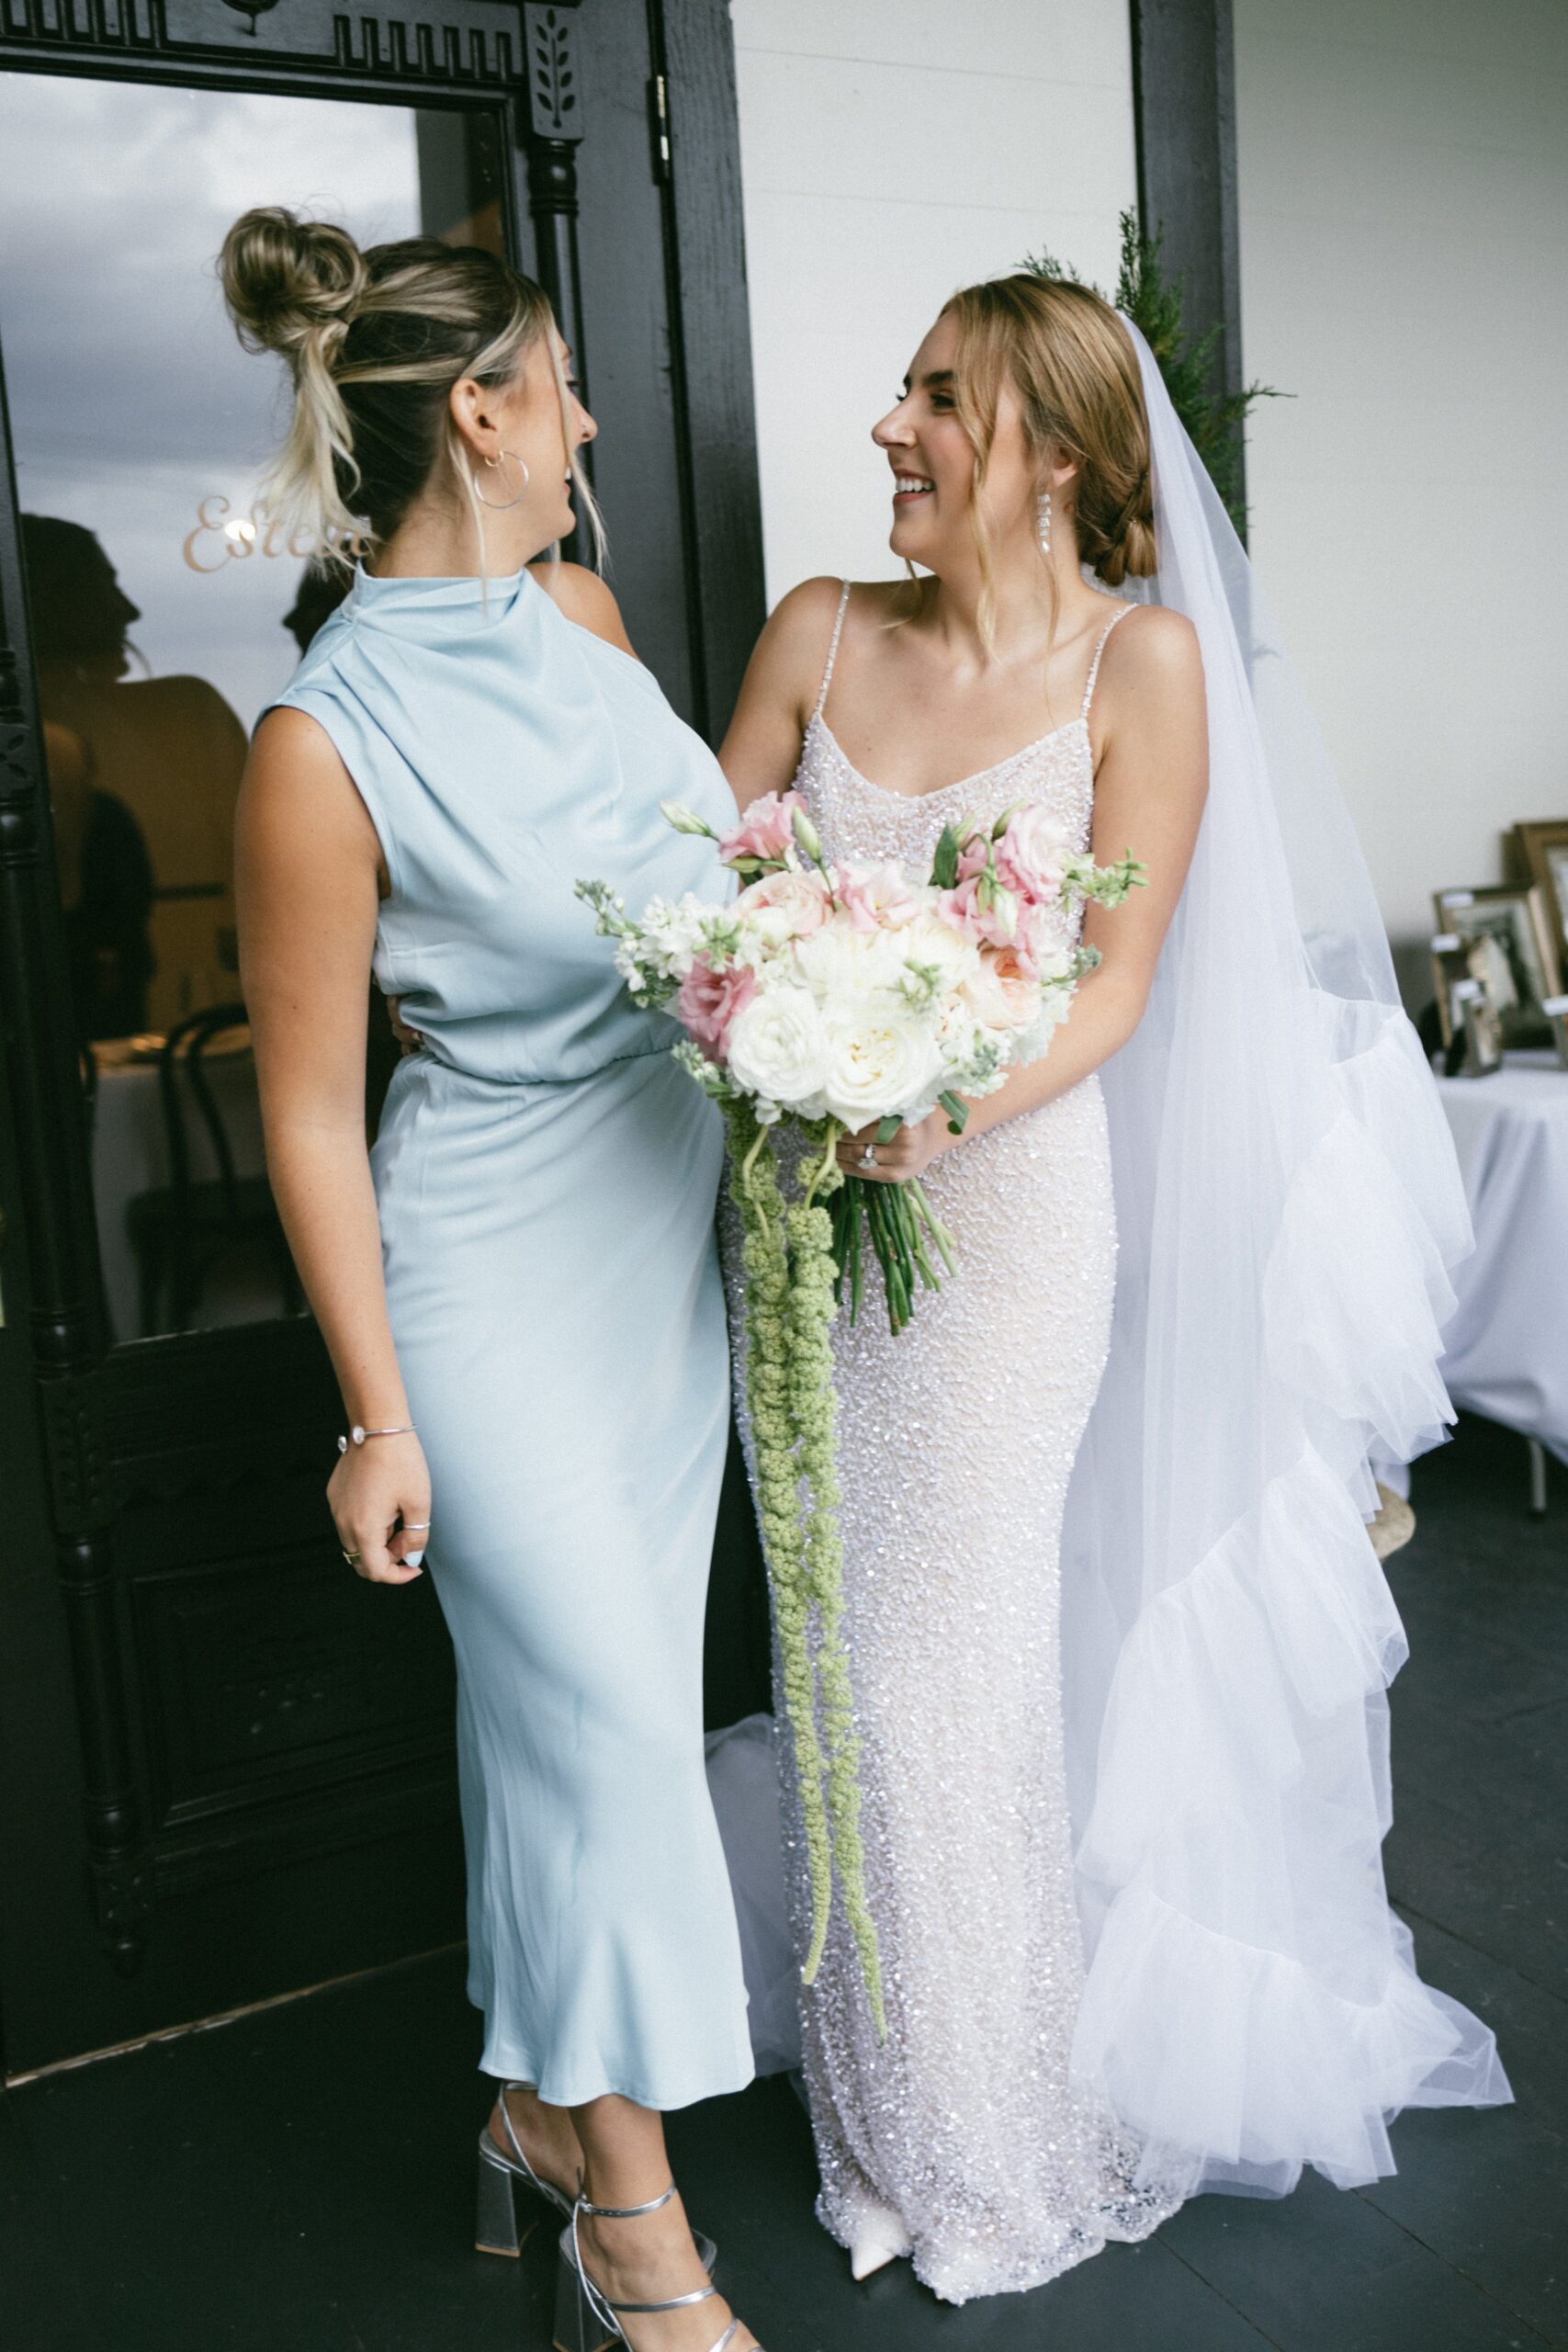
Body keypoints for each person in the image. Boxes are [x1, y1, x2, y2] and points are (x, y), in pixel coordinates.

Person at [714, 273, 1510, 2303]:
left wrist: (929, 1094)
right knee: (835, 1663)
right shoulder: (816, 626)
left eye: (936, 402)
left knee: (946, 1669)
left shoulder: (1138, 665)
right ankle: (883, 2115)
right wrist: (768, 1024)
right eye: (895, 393)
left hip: (999, 1232)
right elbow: (708, 893)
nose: (887, 428)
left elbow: (1116, 980)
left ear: (1052, 455)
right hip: (798, 1226)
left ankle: (999, 2139)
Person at [222, 206, 763, 2352]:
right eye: (560, 382)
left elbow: (707, 896)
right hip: (484, 1279)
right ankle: (634, 2233)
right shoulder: (314, 745)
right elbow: (304, 1118)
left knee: (559, 1726)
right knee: (614, 1719)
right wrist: (379, 1411)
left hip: (657, 1264)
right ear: (479, 410)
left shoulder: (589, 620)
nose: (589, 415)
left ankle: (542, 2105)